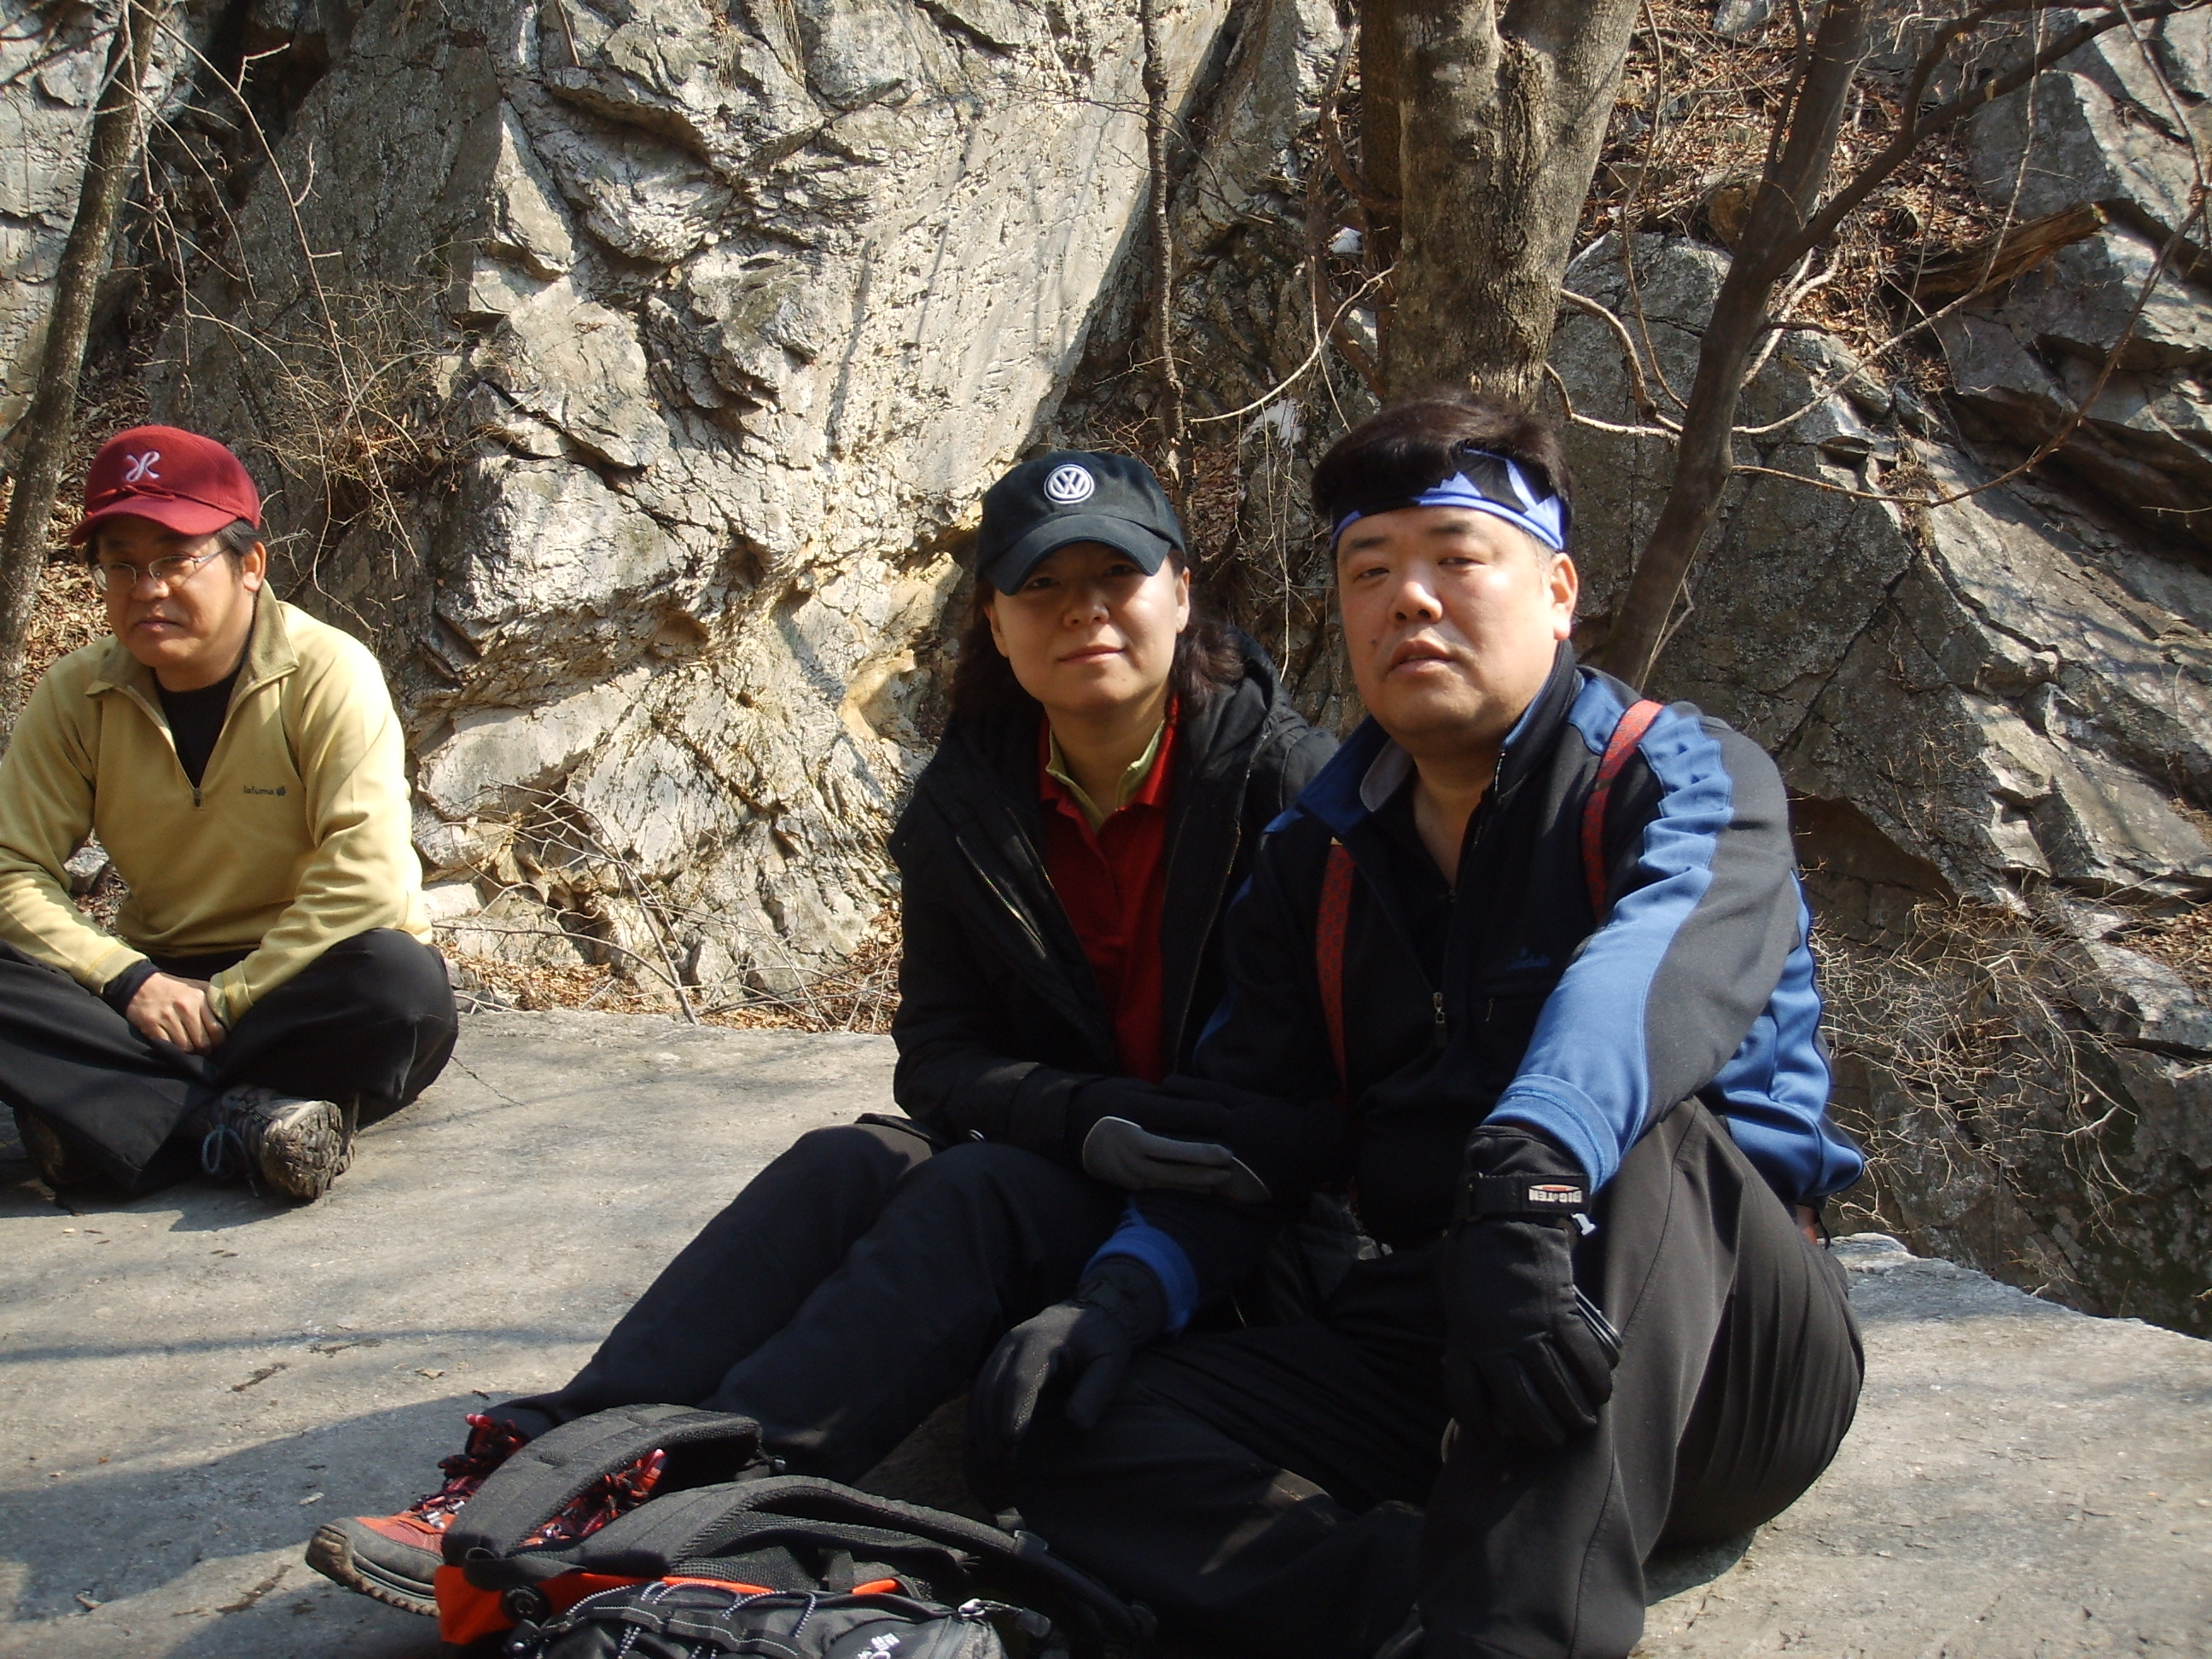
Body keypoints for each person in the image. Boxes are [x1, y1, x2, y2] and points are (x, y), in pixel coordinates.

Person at [306, 450, 1337, 1616]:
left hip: (1230, 1230)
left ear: (1182, 592)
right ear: (995, 623)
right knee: (848, 1158)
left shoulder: (1291, 795)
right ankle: (550, 1458)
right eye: (1042, 585)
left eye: (1117, 574)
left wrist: (1116, 1175)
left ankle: (710, 1502)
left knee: (980, 1189)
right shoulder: (970, 804)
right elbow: (939, 1058)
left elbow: (1311, 1099)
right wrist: (1085, 1119)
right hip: (1079, 1162)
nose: (1082, 610)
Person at [969, 394, 1868, 1659]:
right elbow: (1258, 1129)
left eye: (1457, 559)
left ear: (1558, 591)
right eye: (1370, 572)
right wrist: (1121, 1295)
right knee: (1077, 1425)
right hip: (1453, 1325)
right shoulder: (1317, 858)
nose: (1410, 602)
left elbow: (1647, 979)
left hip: (1720, 1353)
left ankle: (1510, 1634)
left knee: (1645, 1139)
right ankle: (1396, 1606)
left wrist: (1533, 1170)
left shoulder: (1684, 783)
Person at [0, 425, 455, 1204]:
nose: (147, 589)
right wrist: (128, 980)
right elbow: (11, 868)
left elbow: (369, 881)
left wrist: (228, 998)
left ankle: (115, 1121)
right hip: (155, 983)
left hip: (301, 981)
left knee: (401, 988)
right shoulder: (77, 694)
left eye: (176, 560)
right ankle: (240, 1124)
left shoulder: (328, 672)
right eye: (121, 565)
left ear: (250, 566)